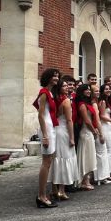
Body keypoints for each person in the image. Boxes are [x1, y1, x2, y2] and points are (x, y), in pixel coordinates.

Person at [33, 68, 60, 208]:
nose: (56, 78)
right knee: (46, 162)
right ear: (48, 77)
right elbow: (40, 115)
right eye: (54, 76)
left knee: (48, 162)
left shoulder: (50, 92)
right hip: (47, 129)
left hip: (51, 128)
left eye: (57, 76)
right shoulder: (44, 93)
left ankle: (43, 194)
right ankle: (41, 196)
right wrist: (44, 135)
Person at [50, 79, 80, 200]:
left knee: (56, 159)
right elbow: (69, 120)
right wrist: (72, 137)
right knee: (64, 159)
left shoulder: (54, 99)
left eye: (67, 85)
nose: (67, 87)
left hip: (56, 130)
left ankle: (54, 189)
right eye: (64, 86)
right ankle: (61, 190)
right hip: (64, 132)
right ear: (59, 88)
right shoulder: (66, 100)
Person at [75, 84, 98, 190]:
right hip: (86, 132)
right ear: (81, 91)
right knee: (86, 157)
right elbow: (87, 120)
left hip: (89, 132)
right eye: (86, 90)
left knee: (89, 156)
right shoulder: (82, 104)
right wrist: (94, 131)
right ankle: (84, 181)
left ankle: (87, 179)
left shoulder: (86, 103)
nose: (89, 91)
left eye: (89, 90)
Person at [90, 84, 111, 185]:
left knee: (101, 152)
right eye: (96, 91)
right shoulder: (94, 104)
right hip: (98, 130)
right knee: (101, 153)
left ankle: (101, 176)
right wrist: (101, 134)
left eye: (98, 91)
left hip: (96, 129)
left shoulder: (95, 102)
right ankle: (101, 177)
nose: (98, 93)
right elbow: (97, 120)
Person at [98, 83, 111, 182]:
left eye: (109, 89)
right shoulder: (102, 102)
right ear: (102, 91)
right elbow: (101, 116)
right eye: (106, 89)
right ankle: (107, 172)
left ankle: (107, 172)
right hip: (104, 127)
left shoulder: (106, 100)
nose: (108, 90)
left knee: (109, 150)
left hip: (107, 127)